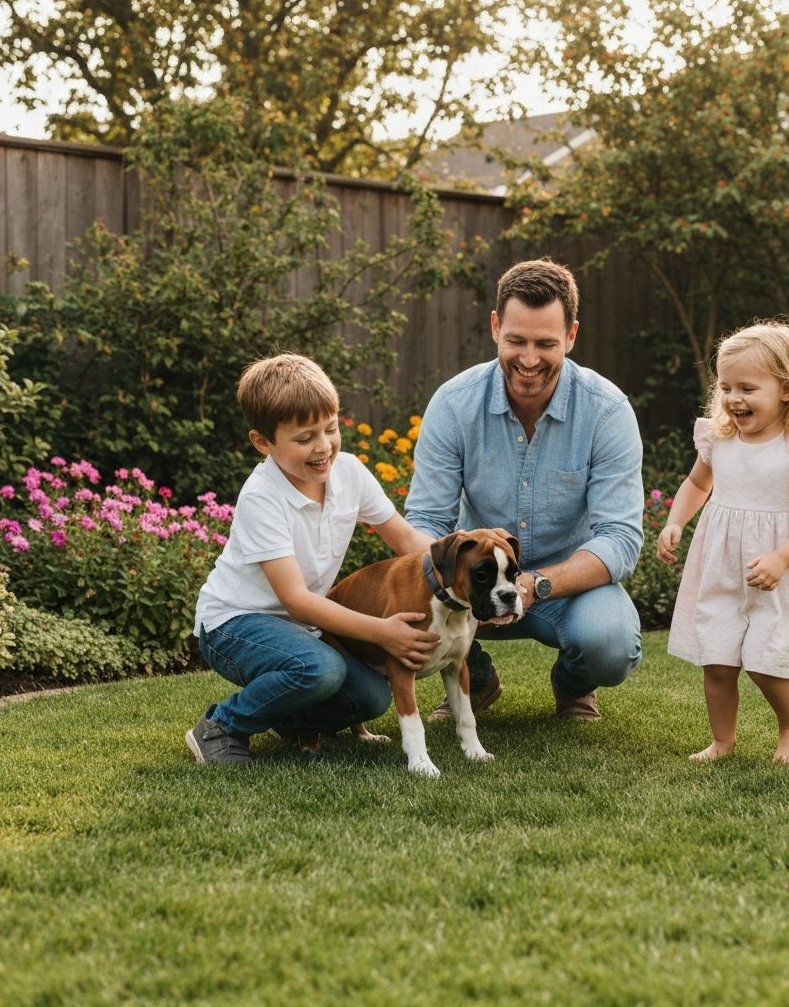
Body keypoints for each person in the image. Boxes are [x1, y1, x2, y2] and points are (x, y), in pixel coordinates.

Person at [405, 258, 644, 722]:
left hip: (567, 585)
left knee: (610, 644)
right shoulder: (453, 404)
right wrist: (446, 580)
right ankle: (474, 675)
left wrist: (535, 584)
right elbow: (426, 523)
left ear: (572, 336)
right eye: (516, 340)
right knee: (414, 579)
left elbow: (620, 538)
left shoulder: (608, 411)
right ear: (496, 326)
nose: (529, 359)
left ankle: (573, 684)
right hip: (472, 583)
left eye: (546, 344)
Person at [186, 353, 439, 765]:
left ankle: (288, 714)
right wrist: (382, 631)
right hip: (234, 625)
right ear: (263, 443)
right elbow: (297, 600)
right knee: (319, 669)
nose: (323, 447)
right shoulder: (262, 497)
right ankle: (222, 725)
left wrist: (457, 564)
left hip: (299, 628)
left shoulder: (350, 474)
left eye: (331, 429)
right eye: (304, 438)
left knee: (371, 697)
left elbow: (406, 537)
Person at [657, 319, 789, 764]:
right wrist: (675, 521)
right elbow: (696, 484)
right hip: (721, 565)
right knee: (717, 658)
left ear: (785, 389)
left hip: (774, 570)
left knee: (766, 659)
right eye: (726, 387)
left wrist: (782, 558)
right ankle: (723, 740)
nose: (733, 399)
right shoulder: (719, 439)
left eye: (747, 388)